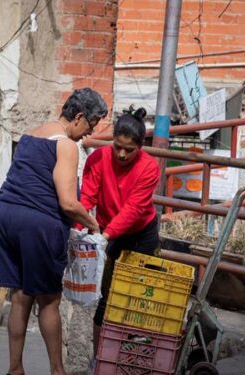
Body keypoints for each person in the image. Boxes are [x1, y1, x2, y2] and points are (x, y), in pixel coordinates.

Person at [0, 88, 107, 375]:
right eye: (89, 126)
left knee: (19, 295)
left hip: (4, 215)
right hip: (36, 224)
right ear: (78, 117)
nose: (86, 135)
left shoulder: (32, 134)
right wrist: (93, 225)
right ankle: (58, 371)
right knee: (49, 300)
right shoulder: (65, 145)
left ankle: (15, 368)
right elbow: (67, 202)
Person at [78, 108, 161, 364]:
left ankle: (132, 360)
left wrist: (106, 235)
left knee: (137, 300)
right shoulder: (99, 159)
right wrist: (80, 229)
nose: (122, 154)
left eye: (129, 149)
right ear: (112, 141)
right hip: (109, 234)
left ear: (141, 147)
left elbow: (134, 209)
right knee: (107, 299)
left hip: (140, 235)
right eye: (117, 147)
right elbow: (87, 197)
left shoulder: (149, 168)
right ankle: (99, 359)